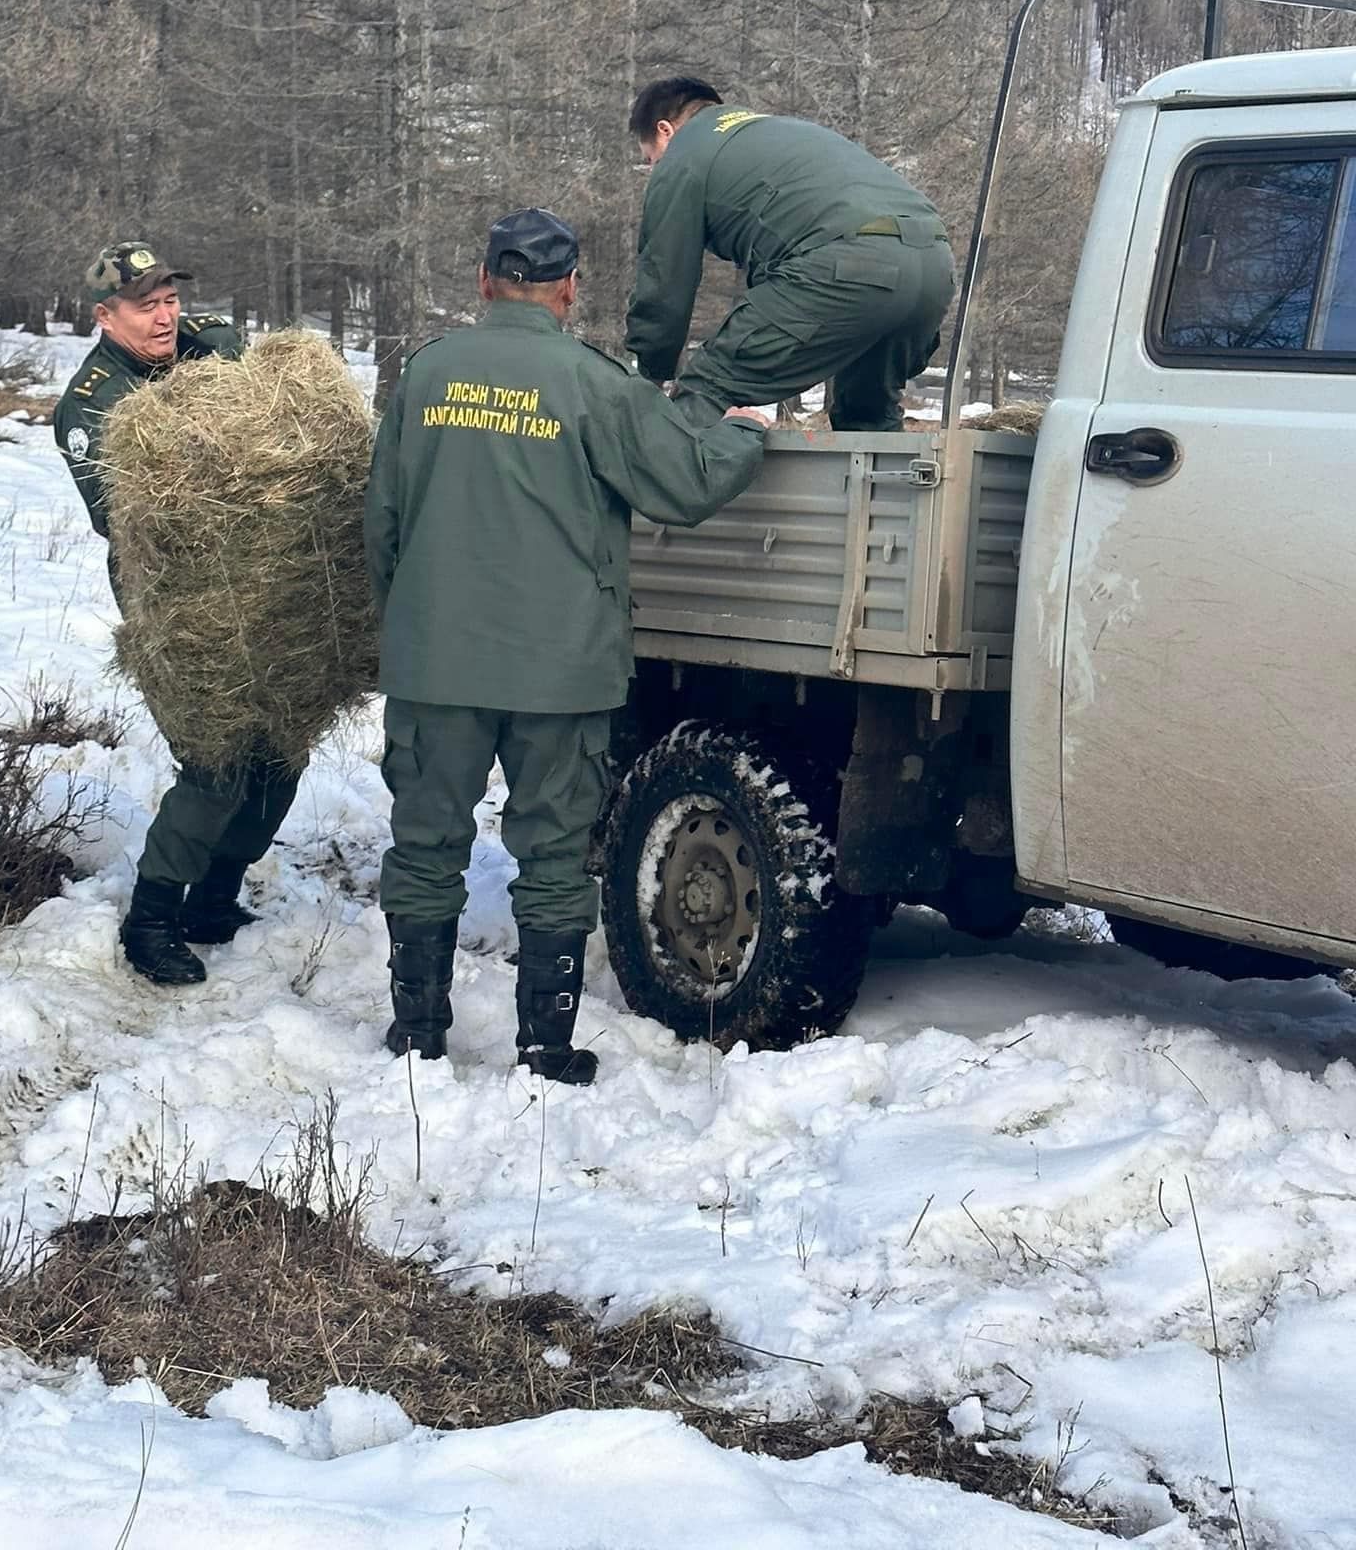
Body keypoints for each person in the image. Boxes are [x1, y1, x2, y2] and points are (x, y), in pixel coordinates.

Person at [364, 209, 767, 1085]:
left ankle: (417, 1036)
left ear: (483, 282)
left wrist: (413, 623)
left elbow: (384, 522)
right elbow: (684, 484)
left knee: (425, 842)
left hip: (438, 662)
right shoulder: (594, 384)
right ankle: (544, 1049)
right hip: (560, 668)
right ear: (569, 290)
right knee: (553, 853)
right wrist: (744, 429)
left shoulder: (426, 373)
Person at [53, 243, 299, 987]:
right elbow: (121, 518)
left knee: (280, 754)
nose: (164, 317)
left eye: (169, 300)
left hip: (253, 584)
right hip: (174, 605)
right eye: (144, 305)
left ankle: (214, 897)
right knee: (217, 761)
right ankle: (151, 919)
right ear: (105, 316)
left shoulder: (208, 342)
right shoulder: (91, 403)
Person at [625, 78, 957, 430]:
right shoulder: (779, 132)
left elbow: (664, 284)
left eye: (650, 159)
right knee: (869, 417)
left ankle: (648, 480)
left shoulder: (683, 154)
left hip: (849, 263)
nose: (654, 169)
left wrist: (647, 378)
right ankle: (891, 486)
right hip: (934, 266)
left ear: (665, 131)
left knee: (709, 384)